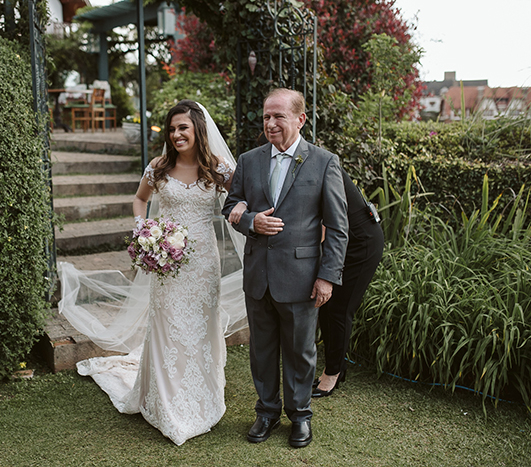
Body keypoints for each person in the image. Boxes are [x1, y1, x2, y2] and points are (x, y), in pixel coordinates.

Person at [58, 100, 244, 446]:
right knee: (168, 327)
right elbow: (139, 200)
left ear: (198, 130)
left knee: (200, 327)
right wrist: (145, 231)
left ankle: (200, 396)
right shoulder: (158, 166)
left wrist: (246, 210)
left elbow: (240, 201)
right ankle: (164, 401)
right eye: (172, 129)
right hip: (168, 264)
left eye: (183, 128)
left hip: (203, 262)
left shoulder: (218, 168)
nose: (176, 135)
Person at [222, 88, 349, 448]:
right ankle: (266, 413)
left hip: (302, 277)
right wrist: (250, 222)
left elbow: (338, 227)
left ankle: (300, 417)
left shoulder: (324, 162)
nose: (271, 123)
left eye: (279, 116)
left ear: (300, 119)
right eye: (266, 116)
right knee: (261, 350)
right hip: (258, 275)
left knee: (300, 351)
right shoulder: (249, 160)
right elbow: (231, 206)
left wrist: (327, 277)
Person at [312, 169, 384, 397]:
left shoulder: (321, 164)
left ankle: (332, 374)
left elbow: (328, 219)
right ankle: (336, 367)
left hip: (361, 243)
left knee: (339, 309)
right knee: (326, 307)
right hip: (341, 241)